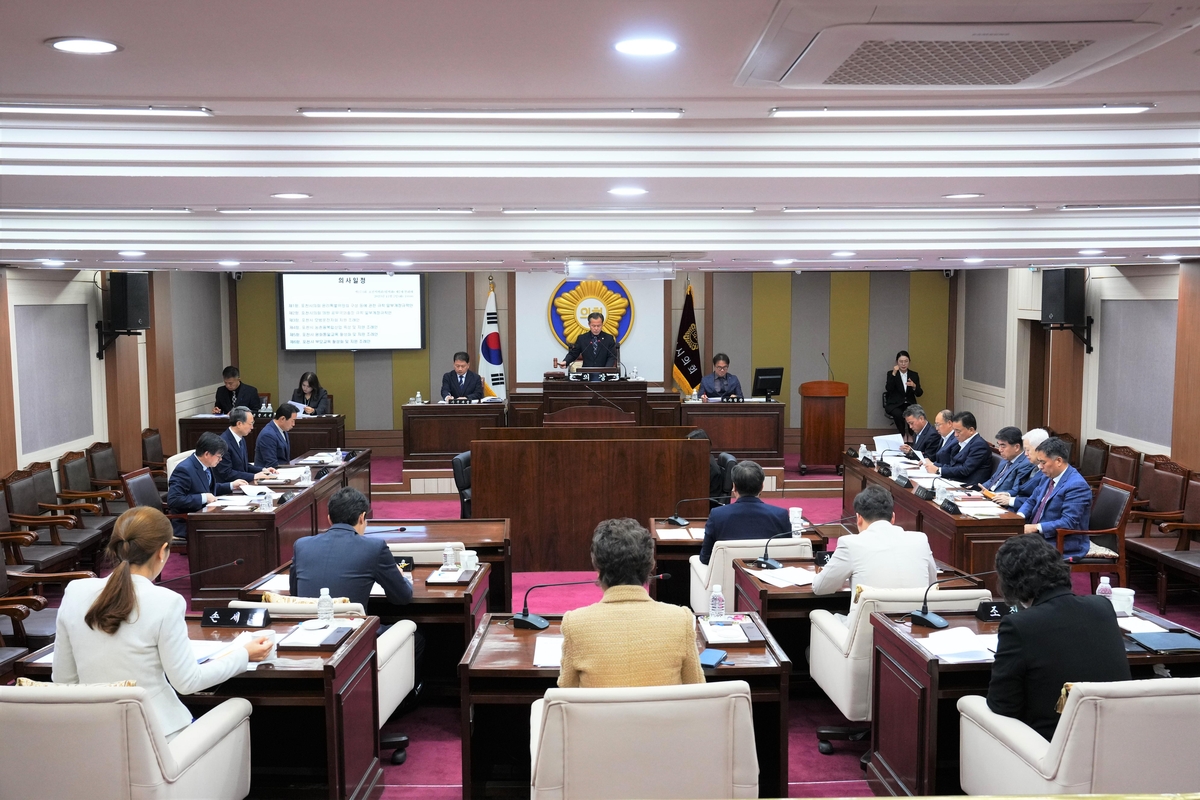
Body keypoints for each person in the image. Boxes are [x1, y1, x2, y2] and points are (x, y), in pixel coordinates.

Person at [53, 507, 273, 739]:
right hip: (159, 737)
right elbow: (188, 682)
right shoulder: (166, 602)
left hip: (92, 736)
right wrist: (243, 655)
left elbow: (63, 681)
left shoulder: (75, 591)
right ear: (162, 551)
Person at [987, 534, 1130, 740]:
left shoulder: (1019, 625)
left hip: (1048, 745)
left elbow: (1002, 705)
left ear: (1009, 582)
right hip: (1115, 737)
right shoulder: (1102, 606)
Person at [558, 518, 703, 688]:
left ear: (597, 567)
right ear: (651, 566)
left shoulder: (575, 623)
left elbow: (566, 692)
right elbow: (697, 688)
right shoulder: (681, 619)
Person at [811, 485, 937, 605]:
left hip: (869, 621)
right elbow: (932, 583)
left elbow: (820, 587)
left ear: (859, 518)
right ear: (893, 518)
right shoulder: (920, 540)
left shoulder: (850, 544)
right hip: (915, 619)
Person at [290, 487, 412, 608]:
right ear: (362, 517)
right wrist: (401, 576)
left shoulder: (301, 545)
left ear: (329, 519)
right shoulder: (374, 548)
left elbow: (295, 594)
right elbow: (402, 597)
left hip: (307, 620)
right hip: (352, 621)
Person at [698, 460, 791, 565]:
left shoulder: (717, 515)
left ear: (734, 487)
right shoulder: (780, 515)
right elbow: (788, 555)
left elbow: (705, 558)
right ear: (762, 487)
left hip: (728, 574)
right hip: (767, 573)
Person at [1017, 437, 1092, 560]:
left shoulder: (1077, 485)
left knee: (1015, 552)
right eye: (1039, 462)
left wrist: (1036, 527)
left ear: (1058, 461)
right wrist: (1018, 518)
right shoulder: (1047, 476)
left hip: (1062, 541)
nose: (1040, 467)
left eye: (1043, 462)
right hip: (1038, 536)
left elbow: (1068, 522)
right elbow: (1032, 500)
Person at [166, 432, 247, 538]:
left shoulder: (205, 465)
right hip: (189, 522)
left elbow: (207, 488)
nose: (221, 459)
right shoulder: (184, 470)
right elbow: (174, 500)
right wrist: (203, 498)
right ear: (207, 454)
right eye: (219, 456)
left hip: (204, 516)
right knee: (232, 528)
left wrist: (231, 485)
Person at [923, 411, 991, 485]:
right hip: (956, 482)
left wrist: (939, 470)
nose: (955, 435)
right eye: (954, 431)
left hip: (968, 486)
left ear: (971, 430)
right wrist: (934, 466)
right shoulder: (962, 442)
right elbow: (952, 465)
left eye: (958, 431)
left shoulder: (979, 445)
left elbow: (965, 470)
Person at [992, 428, 1051, 510]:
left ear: (1040, 448)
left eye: (1028, 450)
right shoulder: (1035, 467)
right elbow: (1020, 489)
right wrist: (1007, 494)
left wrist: (1011, 500)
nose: (1025, 454)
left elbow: (1037, 500)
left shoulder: (1049, 472)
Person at [215, 406, 275, 484]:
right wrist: (254, 476)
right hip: (229, 487)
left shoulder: (241, 439)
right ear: (239, 424)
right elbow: (227, 473)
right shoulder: (223, 443)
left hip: (242, 484)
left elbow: (243, 465)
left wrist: (263, 470)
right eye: (250, 423)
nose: (252, 427)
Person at [980, 426, 1035, 493]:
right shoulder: (1005, 460)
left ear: (1016, 447)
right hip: (987, 495)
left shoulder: (1026, 464)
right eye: (999, 445)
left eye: (1003, 446)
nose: (1000, 450)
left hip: (999, 497)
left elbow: (1016, 491)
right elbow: (992, 480)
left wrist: (992, 495)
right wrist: (977, 489)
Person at [883, 351, 923, 436]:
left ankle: (911, 434)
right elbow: (888, 389)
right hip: (894, 404)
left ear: (909, 362)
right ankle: (903, 434)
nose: (903, 364)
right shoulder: (891, 373)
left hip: (909, 403)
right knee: (898, 414)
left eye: (906, 361)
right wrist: (894, 373)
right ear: (897, 362)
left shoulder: (914, 375)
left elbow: (919, 393)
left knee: (912, 413)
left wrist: (914, 386)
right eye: (901, 361)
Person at [255, 404, 297, 468]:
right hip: (269, 472)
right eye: (292, 421)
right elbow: (271, 464)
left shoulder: (283, 430)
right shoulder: (268, 435)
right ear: (282, 419)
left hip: (282, 469)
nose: (293, 424)